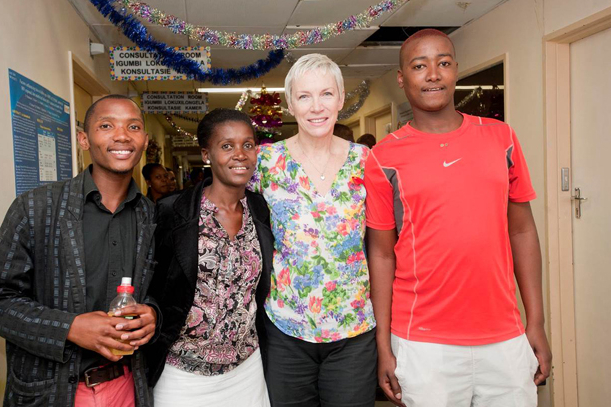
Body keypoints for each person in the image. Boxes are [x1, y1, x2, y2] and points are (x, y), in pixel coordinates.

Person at [364, 29, 551, 407]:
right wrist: (383, 345)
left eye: (443, 63)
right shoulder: (383, 157)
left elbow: (523, 231)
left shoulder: (501, 138)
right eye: (419, 66)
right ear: (403, 79)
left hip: (505, 337)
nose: (433, 74)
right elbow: (382, 255)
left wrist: (537, 322)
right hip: (422, 343)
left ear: (456, 71)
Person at [0, 94, 159, 407]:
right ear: (84, 139)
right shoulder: (36, 208)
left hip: (128, 387)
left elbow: (160, 289)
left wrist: (152, 313)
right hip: (52, 392)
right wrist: (70, 328)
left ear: (144, 140)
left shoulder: (153, 216)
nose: (121, 135)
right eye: (106, 125)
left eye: (133, 126)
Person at [249, 53, 377, 407]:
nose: (316, 106)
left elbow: (389, 238)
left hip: (353, 330)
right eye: (304, 96)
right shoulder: (266, 162)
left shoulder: (365, 161)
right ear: (290, 104)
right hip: (286, 329)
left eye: (326, 94)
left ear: (340, 99)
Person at [146, 109, 273, 407]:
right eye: (226, 146)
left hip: (247, 370)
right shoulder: (171, 213)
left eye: (248, 144)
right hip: (181, 374)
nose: (240, 154)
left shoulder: (262, 210)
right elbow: (151, 286)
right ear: (206, 153)